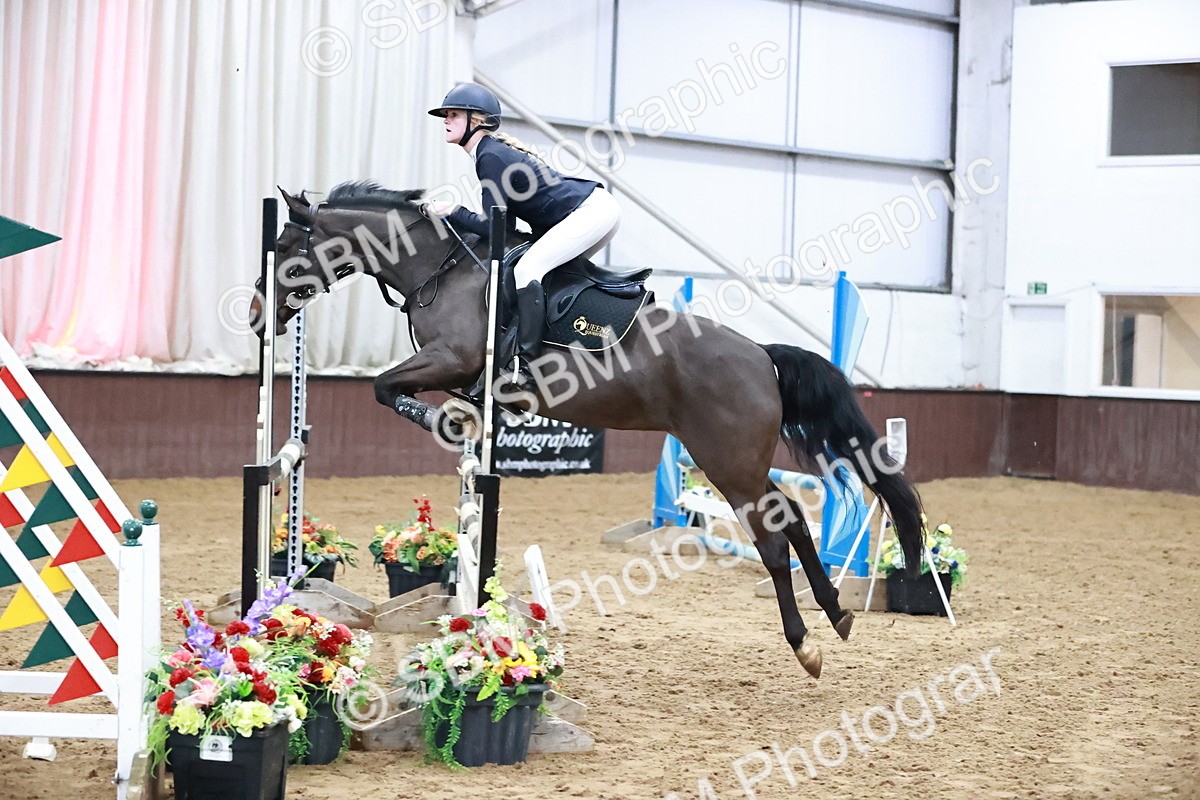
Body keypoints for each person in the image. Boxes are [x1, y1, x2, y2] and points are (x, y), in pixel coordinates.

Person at [424, 82, 620, 383]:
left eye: (453, 114)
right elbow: (508, 227)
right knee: (544, 272)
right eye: (445, 116)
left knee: (528, 268)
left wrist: (453, 211)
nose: (446, 121)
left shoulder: (490, 157)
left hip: (591, 213)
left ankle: (527, 366)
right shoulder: (490, 154)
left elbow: (494, 228)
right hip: (593, 211)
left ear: (476, 120)